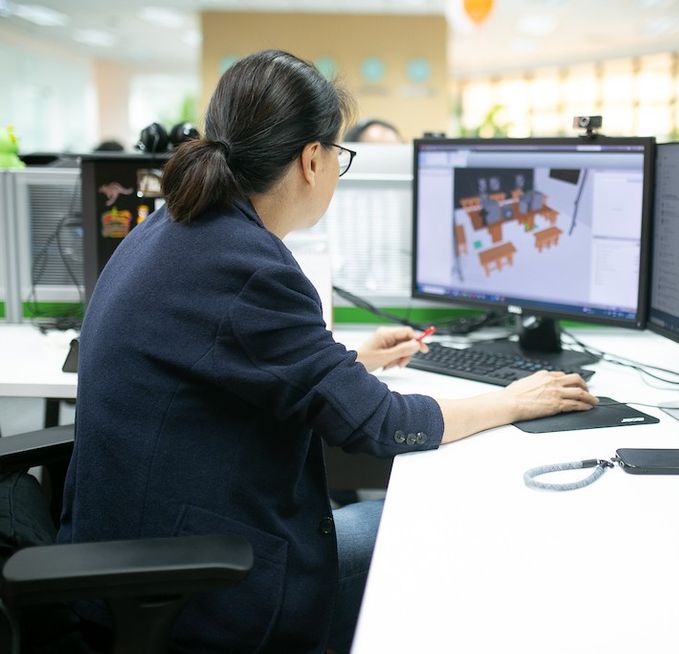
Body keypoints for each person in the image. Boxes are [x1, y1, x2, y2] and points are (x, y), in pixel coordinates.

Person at [57, 49, 596, 653]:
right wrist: (515, 402)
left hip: (132, 556)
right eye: (339, 152)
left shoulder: (175, 226)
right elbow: (381, 424)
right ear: (312, 159)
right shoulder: (246, 263)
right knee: (434, 536)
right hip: (205, 585)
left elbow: (227, 356)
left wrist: (353, 363)